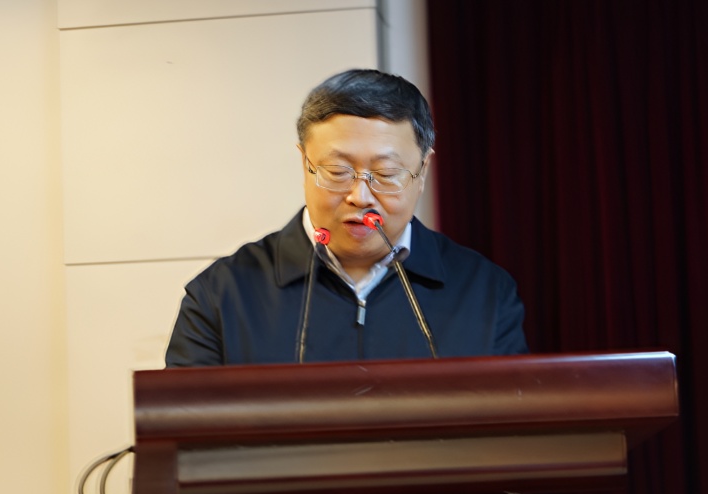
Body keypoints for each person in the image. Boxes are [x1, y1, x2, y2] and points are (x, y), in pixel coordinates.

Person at [166, 69, 528, 368]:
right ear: (304, 163)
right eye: (337, 171)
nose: (360, 196)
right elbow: (189, 429)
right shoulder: (221, 296)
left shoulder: (485, 293)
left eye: (386, 174)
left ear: (423, 171)